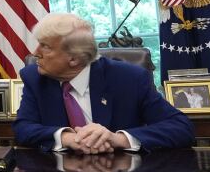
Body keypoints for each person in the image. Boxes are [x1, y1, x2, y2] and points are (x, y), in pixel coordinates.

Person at [13, 13, 194, 153]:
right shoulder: (35, 78)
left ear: (74, 59)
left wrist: (118, 139)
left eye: (45, 46)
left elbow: (181, 128)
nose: (35, 52)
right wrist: (67, 138)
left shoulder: (129, 78)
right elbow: (22, 129)